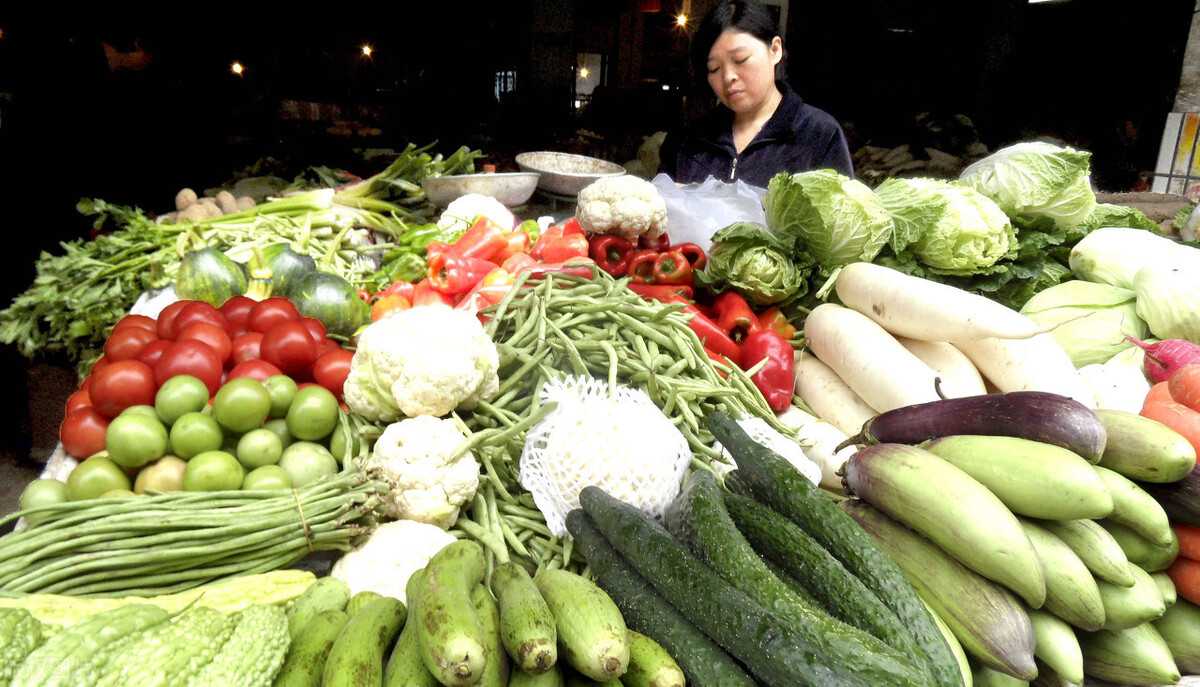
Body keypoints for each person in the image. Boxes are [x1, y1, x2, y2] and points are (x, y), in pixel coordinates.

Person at [659, 0, 854, 188]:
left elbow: (840, 217)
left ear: (775, 50)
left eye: (741, 60)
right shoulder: (688, 140)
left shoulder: (819, 135)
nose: (728, 77)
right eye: (714, 68)